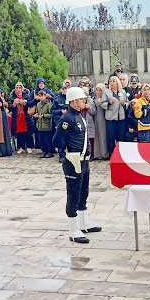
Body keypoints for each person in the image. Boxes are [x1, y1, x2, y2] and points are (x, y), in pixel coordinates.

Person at [53, 86, 101, 244]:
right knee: (73, 193)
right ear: (73, 101)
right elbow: (57, 140)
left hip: (84, 160)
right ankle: (73, 229)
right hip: (73, 160)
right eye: (81, 99)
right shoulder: (67, 118)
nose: (84, 101)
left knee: (83, 191)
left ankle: (83, 223)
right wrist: (68, 152)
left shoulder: (79, 115)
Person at [101, 76, 128, 155]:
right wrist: (109, 103)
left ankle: (120, 155)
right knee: (111, 138)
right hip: (111, 118)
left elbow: (127, 102)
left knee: (121, 137)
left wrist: (124, 104)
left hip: (121, 118)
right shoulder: (106, 92)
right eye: (110, 81)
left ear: (117, 82)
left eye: (113, 81)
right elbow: (102, 104)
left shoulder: (122, 92)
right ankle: (111, 155)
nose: (112, 83)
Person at [10, 82, 33, 154]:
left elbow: (30, 104)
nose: (18, 89)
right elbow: (9, 106)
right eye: (17, 88)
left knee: (28, 132)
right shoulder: (12, 97)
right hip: (17, 117)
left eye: (20, 88)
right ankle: (21, 147)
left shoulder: (27, 96)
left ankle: (29, 146)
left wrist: (25, 103)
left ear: (22, 89)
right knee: (19, 133)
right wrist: (14, 104)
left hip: (26, 117)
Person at [34, 88, 54, 158]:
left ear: (45, 96)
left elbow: (52, 114)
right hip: (40, 125)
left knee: (47, 140)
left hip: (47, 125)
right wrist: (36, 115)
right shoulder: (38, 104)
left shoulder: (49, 104)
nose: (41, 97)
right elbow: (37, 112)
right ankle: (44, 151)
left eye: (42, 95)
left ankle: (50, 152)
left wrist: (44, 115)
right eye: (40, 96)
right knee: (41, 140)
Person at [92, 83, 109, 159]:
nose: (98, 92)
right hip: (96, 119)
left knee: (104, 136)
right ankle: (97, 153)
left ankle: (104, 153)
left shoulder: (106, 98)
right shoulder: (94, 99)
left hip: (104, 119)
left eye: (100, 90)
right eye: (97, 90)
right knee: (97, 136)